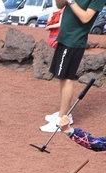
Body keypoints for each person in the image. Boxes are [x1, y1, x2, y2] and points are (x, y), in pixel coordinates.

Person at [40, 0, 106, 133]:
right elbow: (60, 5)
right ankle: (64, 113)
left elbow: (86, 18)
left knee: (66, 78)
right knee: (61, 77)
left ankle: (62, 119)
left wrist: (71, 1)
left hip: (74, 41)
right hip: (64, 37)